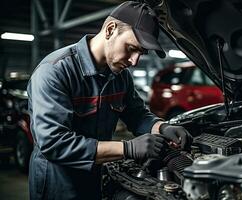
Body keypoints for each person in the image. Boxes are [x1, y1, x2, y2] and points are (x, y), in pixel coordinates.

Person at [27, 1, 192, 199]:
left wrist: (162, 127)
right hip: (57, 183)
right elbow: (54, 143)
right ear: (110, 29)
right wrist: (127, 148)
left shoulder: (120, 76)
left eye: (141, 53)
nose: (134, 61)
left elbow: (137, 115)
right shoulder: (55, 71)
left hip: (94, 174)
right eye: (132, 48)